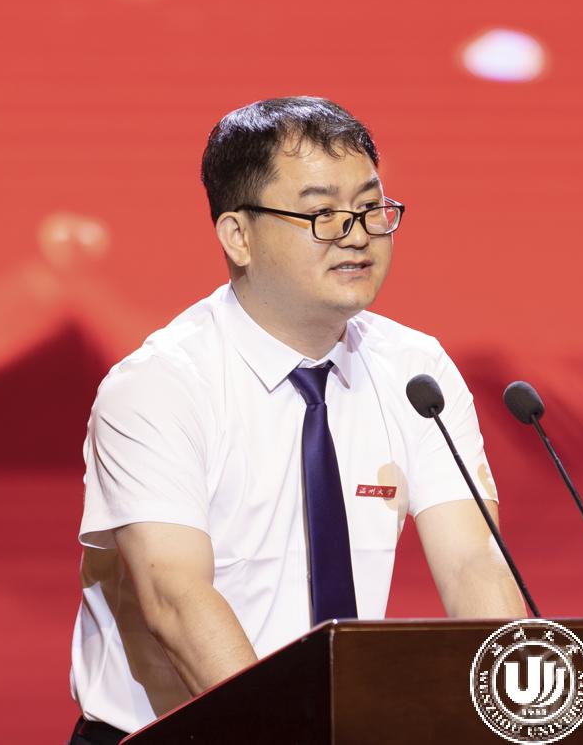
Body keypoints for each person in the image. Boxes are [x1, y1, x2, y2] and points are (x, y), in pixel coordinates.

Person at [67, 96, 525, 744]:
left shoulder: (415, 371)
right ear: (238, 235)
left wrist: (516, 712)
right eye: (321, 213)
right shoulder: (160, 385)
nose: (357, 234)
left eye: (369, 208)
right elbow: (175, 599)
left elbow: (473, 561)